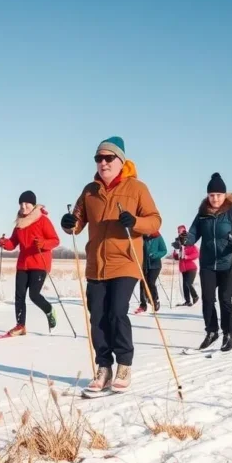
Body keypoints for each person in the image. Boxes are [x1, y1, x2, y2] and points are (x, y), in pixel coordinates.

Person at [61, 136, 161, 395]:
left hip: (126, 261)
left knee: (116, 312)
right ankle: (104, 367)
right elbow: (78, 223)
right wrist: (68, 223)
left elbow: (155, 221)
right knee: (97, 317)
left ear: (121, 161)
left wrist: (134, 221)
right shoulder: (89, 191)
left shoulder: (137, 188)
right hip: (96, 264)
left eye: (108, 158)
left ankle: (124, 364)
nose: (103, 163)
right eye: (98, 158)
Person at [181, 172, 232, 351]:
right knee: (207, 299)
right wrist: (184, 239)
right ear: (208, 195)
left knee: (225, 299)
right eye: (212, 195)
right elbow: (193, 234)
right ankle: (212, 331)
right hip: (207, 263)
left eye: (218, 195)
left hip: (228, 262)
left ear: (225, 195)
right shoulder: (202, 214)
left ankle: (228, 334)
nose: (215, 198)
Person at [0, 191, 59, 336]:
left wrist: (43, 243)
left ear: (33, 205)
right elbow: (13, 243)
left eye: (27, 204)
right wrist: (4, 243)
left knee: (34, 295)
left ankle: (49, 310)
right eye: (21, 204)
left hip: (39, 263)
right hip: (23, 264)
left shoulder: (42, 220)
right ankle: (20, 326)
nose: (23, 207)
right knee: (19, 295)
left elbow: (55, 240)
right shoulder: (19, 224)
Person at [135, 230, 167, 314]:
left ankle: (155, 300)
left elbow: (164, 250)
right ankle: (143, 305)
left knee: (151, 282)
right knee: (142, 283)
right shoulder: (142, 237)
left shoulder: (158, 237)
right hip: (144, 264)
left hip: (155, 265)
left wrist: (155, 255)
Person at [171, 225, 200, 306]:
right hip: (183, 268)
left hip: (191, 267)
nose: (179, 232)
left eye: (180, 231)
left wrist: (187, 257)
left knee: (188, 283)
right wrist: (175, 252)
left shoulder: (190, 243)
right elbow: (177, 258)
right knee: (184, 285)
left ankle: (195, 296)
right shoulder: (179, 244)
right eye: (178, 231)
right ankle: (188, 301)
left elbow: (196, 254)